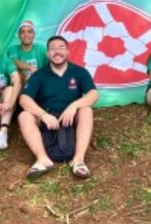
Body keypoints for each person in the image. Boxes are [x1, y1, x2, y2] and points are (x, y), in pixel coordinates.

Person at [18, 35, 98, 180]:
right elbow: (24, 99)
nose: (57, 52)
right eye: (52, 49)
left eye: (61, 48)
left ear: (67, 52)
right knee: (24, 116)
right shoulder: (39, 75)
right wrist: (43, 115)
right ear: (48, 54)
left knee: (86, 110)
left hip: (70, 118)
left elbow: (93, 95)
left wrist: (74, 105)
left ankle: (78, 160)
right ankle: (42, 159)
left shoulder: (79, 72)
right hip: (47, 118)